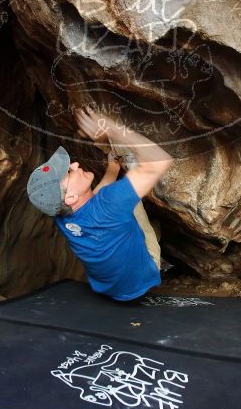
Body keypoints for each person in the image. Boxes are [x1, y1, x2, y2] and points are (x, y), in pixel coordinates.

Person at [26, 108, 173, 301]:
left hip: (107, 288)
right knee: (135, 208)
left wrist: (113, 168)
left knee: (118, 208)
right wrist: (111, 128)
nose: (75, 165)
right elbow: (159, 161)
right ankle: (156, 246)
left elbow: (93, 201)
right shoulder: (111, 202)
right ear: (69, 198)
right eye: (69, 173)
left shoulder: (62, 215)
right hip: (141, 281)